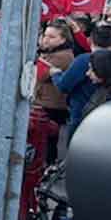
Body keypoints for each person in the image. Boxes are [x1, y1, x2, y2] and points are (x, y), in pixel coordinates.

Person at [50, 24, 111, 142]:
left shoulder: (84, 60)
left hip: (82, 113)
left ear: (90, 40)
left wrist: (55, 74)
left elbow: (64, 85)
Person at [35, 21, 75, 164]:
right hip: (45, 100)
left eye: (52, 37)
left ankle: (47, 165)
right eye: (45, 35)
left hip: (52, 104)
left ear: (63, 39)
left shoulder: (62, 56)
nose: (46, 39)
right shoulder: (50, 52)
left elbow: (39, 74)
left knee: (47, 140)